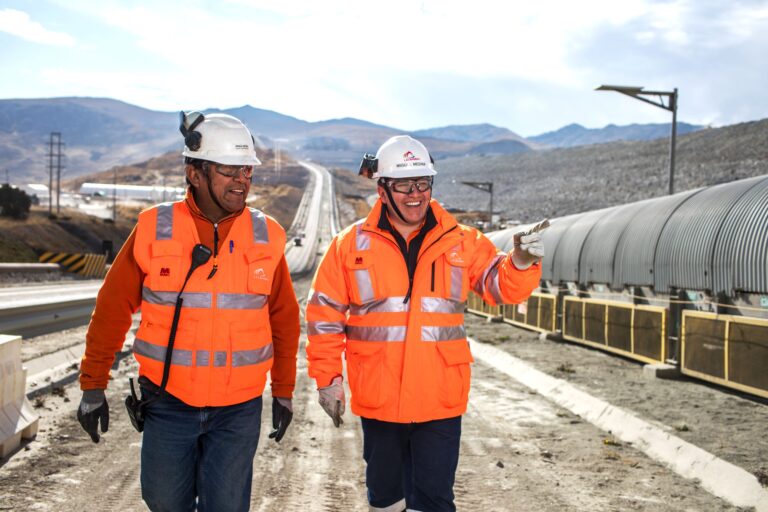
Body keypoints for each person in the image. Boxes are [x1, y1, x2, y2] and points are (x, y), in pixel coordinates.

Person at [305, 135, 544, 512]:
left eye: (423, 183)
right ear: (382, 189)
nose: (415, 194)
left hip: (439, 398)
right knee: (386, 500)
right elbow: (324, 316)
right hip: (380, 397)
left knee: (433, 501)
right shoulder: (349, 246)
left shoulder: (462, 241)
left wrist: (520, 263)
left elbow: (501, 288)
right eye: (403, 185)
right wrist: (328, 379)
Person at [77, 111, 300, 512]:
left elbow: (283, 318)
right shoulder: (153, 227)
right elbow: (113, 308)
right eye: (229, 170)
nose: (242, 180)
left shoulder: (268, 234)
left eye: (246, 170)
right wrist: (93, 384)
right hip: (167, 401)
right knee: (163, 501)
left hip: (238, 407)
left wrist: (283, 390)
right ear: (194, 173)